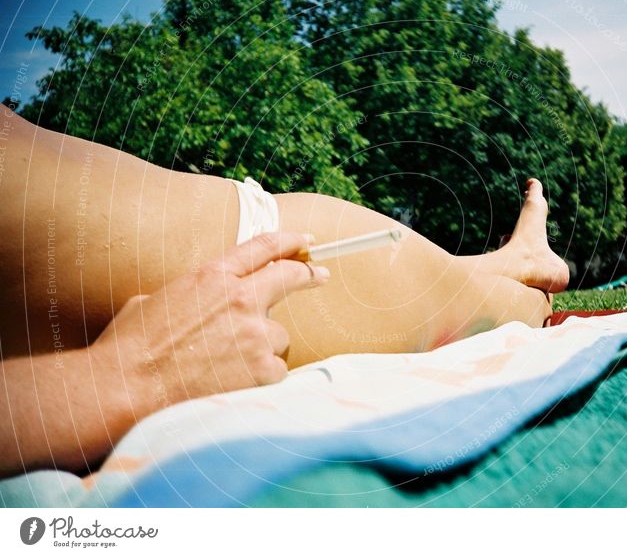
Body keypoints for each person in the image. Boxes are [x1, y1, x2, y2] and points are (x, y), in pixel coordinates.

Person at [0, 104, 568, 476]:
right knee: (507, 306)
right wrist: (120, 375)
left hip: (271, 253)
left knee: (474, 290)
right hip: (278, 282)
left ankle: (513, 259)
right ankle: (517, 265)